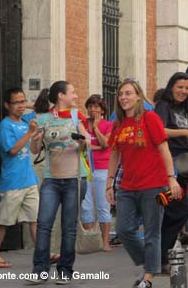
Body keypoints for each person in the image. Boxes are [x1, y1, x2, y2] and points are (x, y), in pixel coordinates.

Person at [106, 79, 180, 288]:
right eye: (121, 94)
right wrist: (109, 183)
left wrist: (171, 178)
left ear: (139, 96)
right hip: (127, 187)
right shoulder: (119, 124)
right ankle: (150, 262)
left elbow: (164, 148)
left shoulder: (150, 118)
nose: (124, 97)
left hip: (154, 185)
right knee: (123, 230)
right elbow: (114, 154)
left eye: (128, 93)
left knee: (152, 232)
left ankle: (148, 277)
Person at [27, 81, 87, 284]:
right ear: (61, 95)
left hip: (73, 179)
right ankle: (40, 270)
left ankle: (65, 271)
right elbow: (35, 150)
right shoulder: (43, 118)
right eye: (72, 92)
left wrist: (82, 141)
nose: (76, 96)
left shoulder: (76, 115)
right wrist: (35, 137)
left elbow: (87, 142)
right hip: (51, 180)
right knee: (44, 224)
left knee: (69, 227)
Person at [0, 88, 43, 269]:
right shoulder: (5, 125)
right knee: (4, 220)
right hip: (13, 181)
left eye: (23, 101)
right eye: (16, 103)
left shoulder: (26, 121)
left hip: (29, 179)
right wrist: (29, 134)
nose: (21, 106)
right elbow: (13, 150)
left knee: (35, 220)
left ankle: (43, 253)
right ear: (7, 105)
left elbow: (33, 150)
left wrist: (36, 138)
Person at [154, 72, 188, 261]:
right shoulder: (163, 106)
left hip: (183, 166)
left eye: (187, 88)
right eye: (180, 87)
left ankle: (162, 254)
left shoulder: (186, 108)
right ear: (171, 86)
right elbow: (159, 130)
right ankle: (160, 255)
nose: (183, 91)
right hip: (167, 164)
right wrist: (186, 132)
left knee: (177, 211)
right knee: (176, 210)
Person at [79, 94, 113, 251]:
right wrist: (96, 146)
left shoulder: (108, 125)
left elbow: (106, 143)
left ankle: (105, 242)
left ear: (102, 110)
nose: (93, 110)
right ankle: (91, 240)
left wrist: (96, 128)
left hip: (102, 169)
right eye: (91, 106)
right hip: (85, 168)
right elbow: (81, 145)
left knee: (102, 205)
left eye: (97, 107)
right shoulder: (81, 124)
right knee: (86, 205)